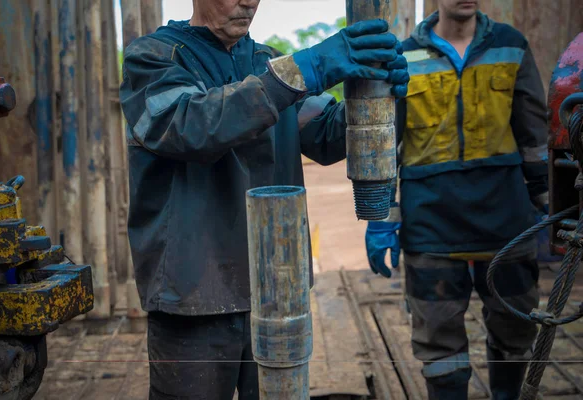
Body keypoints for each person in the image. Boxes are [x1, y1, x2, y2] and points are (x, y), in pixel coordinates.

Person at [119, 0, 409, 398]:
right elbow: (189, 125)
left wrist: (386, 97)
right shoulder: (153, 58)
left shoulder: (267, 63)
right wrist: (304, 70)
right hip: (193, 294)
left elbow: (326, 134)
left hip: (277, 291)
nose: (248, 1)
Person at [365, 0, 548, 399]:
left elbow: (534, 134)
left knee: (516, 326)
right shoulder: (403, 56)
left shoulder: (510, 45)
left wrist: (548, 201)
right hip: (431, 220)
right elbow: (384, 142)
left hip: (505, 219)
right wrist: (382, 216)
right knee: (438, 340)